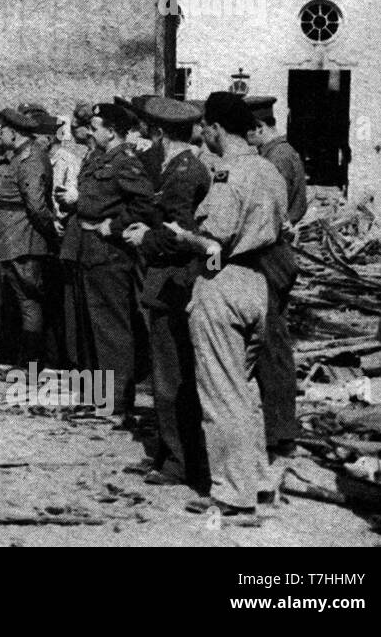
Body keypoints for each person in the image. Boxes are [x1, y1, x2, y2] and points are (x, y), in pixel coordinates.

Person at [166, 92, 287, 522]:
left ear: (216, 128)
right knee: (246, 390)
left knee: (221, 392)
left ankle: (232, 494)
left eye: (206, 128)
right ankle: (256, 480)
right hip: (260, 283)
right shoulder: (269, 169)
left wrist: (184, 237)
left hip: (224, 280)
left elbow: (215, 243)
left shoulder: (228, 175)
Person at [122, 97, 211, 489]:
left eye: (147, 131)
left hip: (175, 283)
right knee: (166, 376)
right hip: (168, 283)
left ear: (158, 133)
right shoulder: (177, 167)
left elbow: (182, 235)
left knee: (171, 378)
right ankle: (166, 452)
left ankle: (179, 462)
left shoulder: (182, 172)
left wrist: (146, 237)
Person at [59, 102, 154, 418]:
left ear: (111, 131)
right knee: (86, 328)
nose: (91, 131)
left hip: (109, 253)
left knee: (111, 329)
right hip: (87, 250)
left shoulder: (126, 162)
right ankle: (93, 395)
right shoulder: (98, 158)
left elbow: (144, 207)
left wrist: (112, 226)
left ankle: (115, 400)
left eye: (96, 126)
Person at [244, 95, 305, 462]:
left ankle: (280, 432)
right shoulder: (285, 154)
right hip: (276, 253)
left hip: (271, 257)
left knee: (272, 347)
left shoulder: (276, 158)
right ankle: (279, 430)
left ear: (259, 129)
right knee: (272, 344)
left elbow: (270, 212)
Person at [0, 108, 59, 365]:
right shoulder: (18, 156)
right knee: (20, 302)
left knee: (29, 304)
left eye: (1, 130)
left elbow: (37, 206)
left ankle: (30, 366)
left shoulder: (31, 159)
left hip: (25, 241)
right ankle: (22, 362)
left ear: (14, 132)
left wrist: (53, 237)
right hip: (12, 240)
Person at [57, 101, 96, 368]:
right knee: (75, 311)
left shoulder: (96, 157)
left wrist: (75, 200)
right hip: (77, 242)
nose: (73, 132)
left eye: (77, 126)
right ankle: (78, 366)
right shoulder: (88, 157)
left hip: (90, 243)